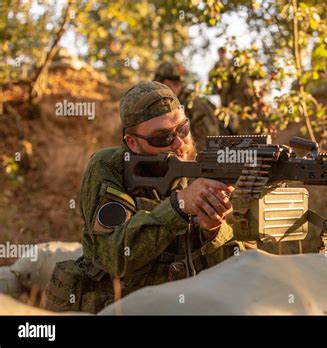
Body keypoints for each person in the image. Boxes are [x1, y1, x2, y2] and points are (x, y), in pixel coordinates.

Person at [45, 81, 244, 313]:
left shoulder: (197, 169)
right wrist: (178, 205)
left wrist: (211, 231)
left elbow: (230, 268)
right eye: (162, 138)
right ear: (133, 143)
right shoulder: (109, 167)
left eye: (183, 130)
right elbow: (115, 256)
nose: (179, 143)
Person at [154, 61, 227, 150]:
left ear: (166, 82)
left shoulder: (194, 103)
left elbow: (211, 142)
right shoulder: (173, 103)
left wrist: (185, 154)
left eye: (160, 85)